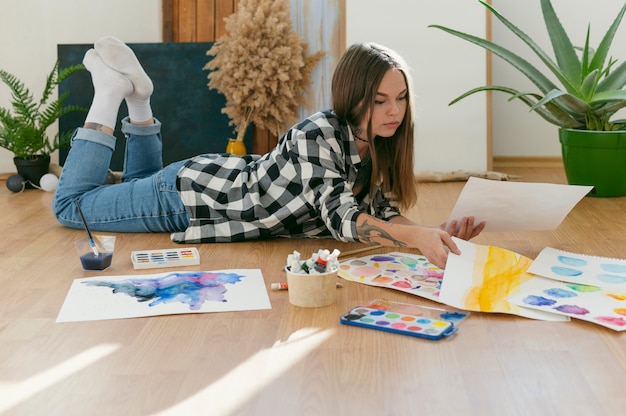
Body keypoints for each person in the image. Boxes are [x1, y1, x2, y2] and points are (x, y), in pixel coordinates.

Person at [52, 37, 485, 269]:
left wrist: (431, 234)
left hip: (206, 185)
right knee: (71, 207)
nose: (395, 111)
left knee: (130, 186)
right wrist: (418, 237)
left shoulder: (380, 145)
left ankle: (141, 100)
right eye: (379, 100)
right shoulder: (319, 133)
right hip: (189, 201)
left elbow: (383, 213)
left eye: (402, 98)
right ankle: (109, 95)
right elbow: (343, 218)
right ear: (353, 97)